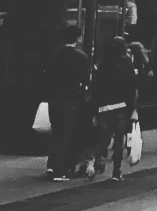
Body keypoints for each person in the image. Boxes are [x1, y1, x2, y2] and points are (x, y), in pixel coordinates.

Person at [91, 23, 140, 181]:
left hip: (104, 107)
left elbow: (96, 88)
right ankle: (116, 172)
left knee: (103, 139)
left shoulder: (103, 64)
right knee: (119, 141)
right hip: (121, 107)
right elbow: (131, 88)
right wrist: (133, 108)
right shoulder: (126, 64)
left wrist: (95, 110)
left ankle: (92, 160)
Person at [44, 24, 91, 181]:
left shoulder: (53, 54)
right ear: (77, 39)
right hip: (72, 100)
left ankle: (51, 165)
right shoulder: (82, 57)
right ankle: (61, 170)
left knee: (56, 132)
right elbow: (85, 80)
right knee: (67, 134)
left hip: (54, 99)